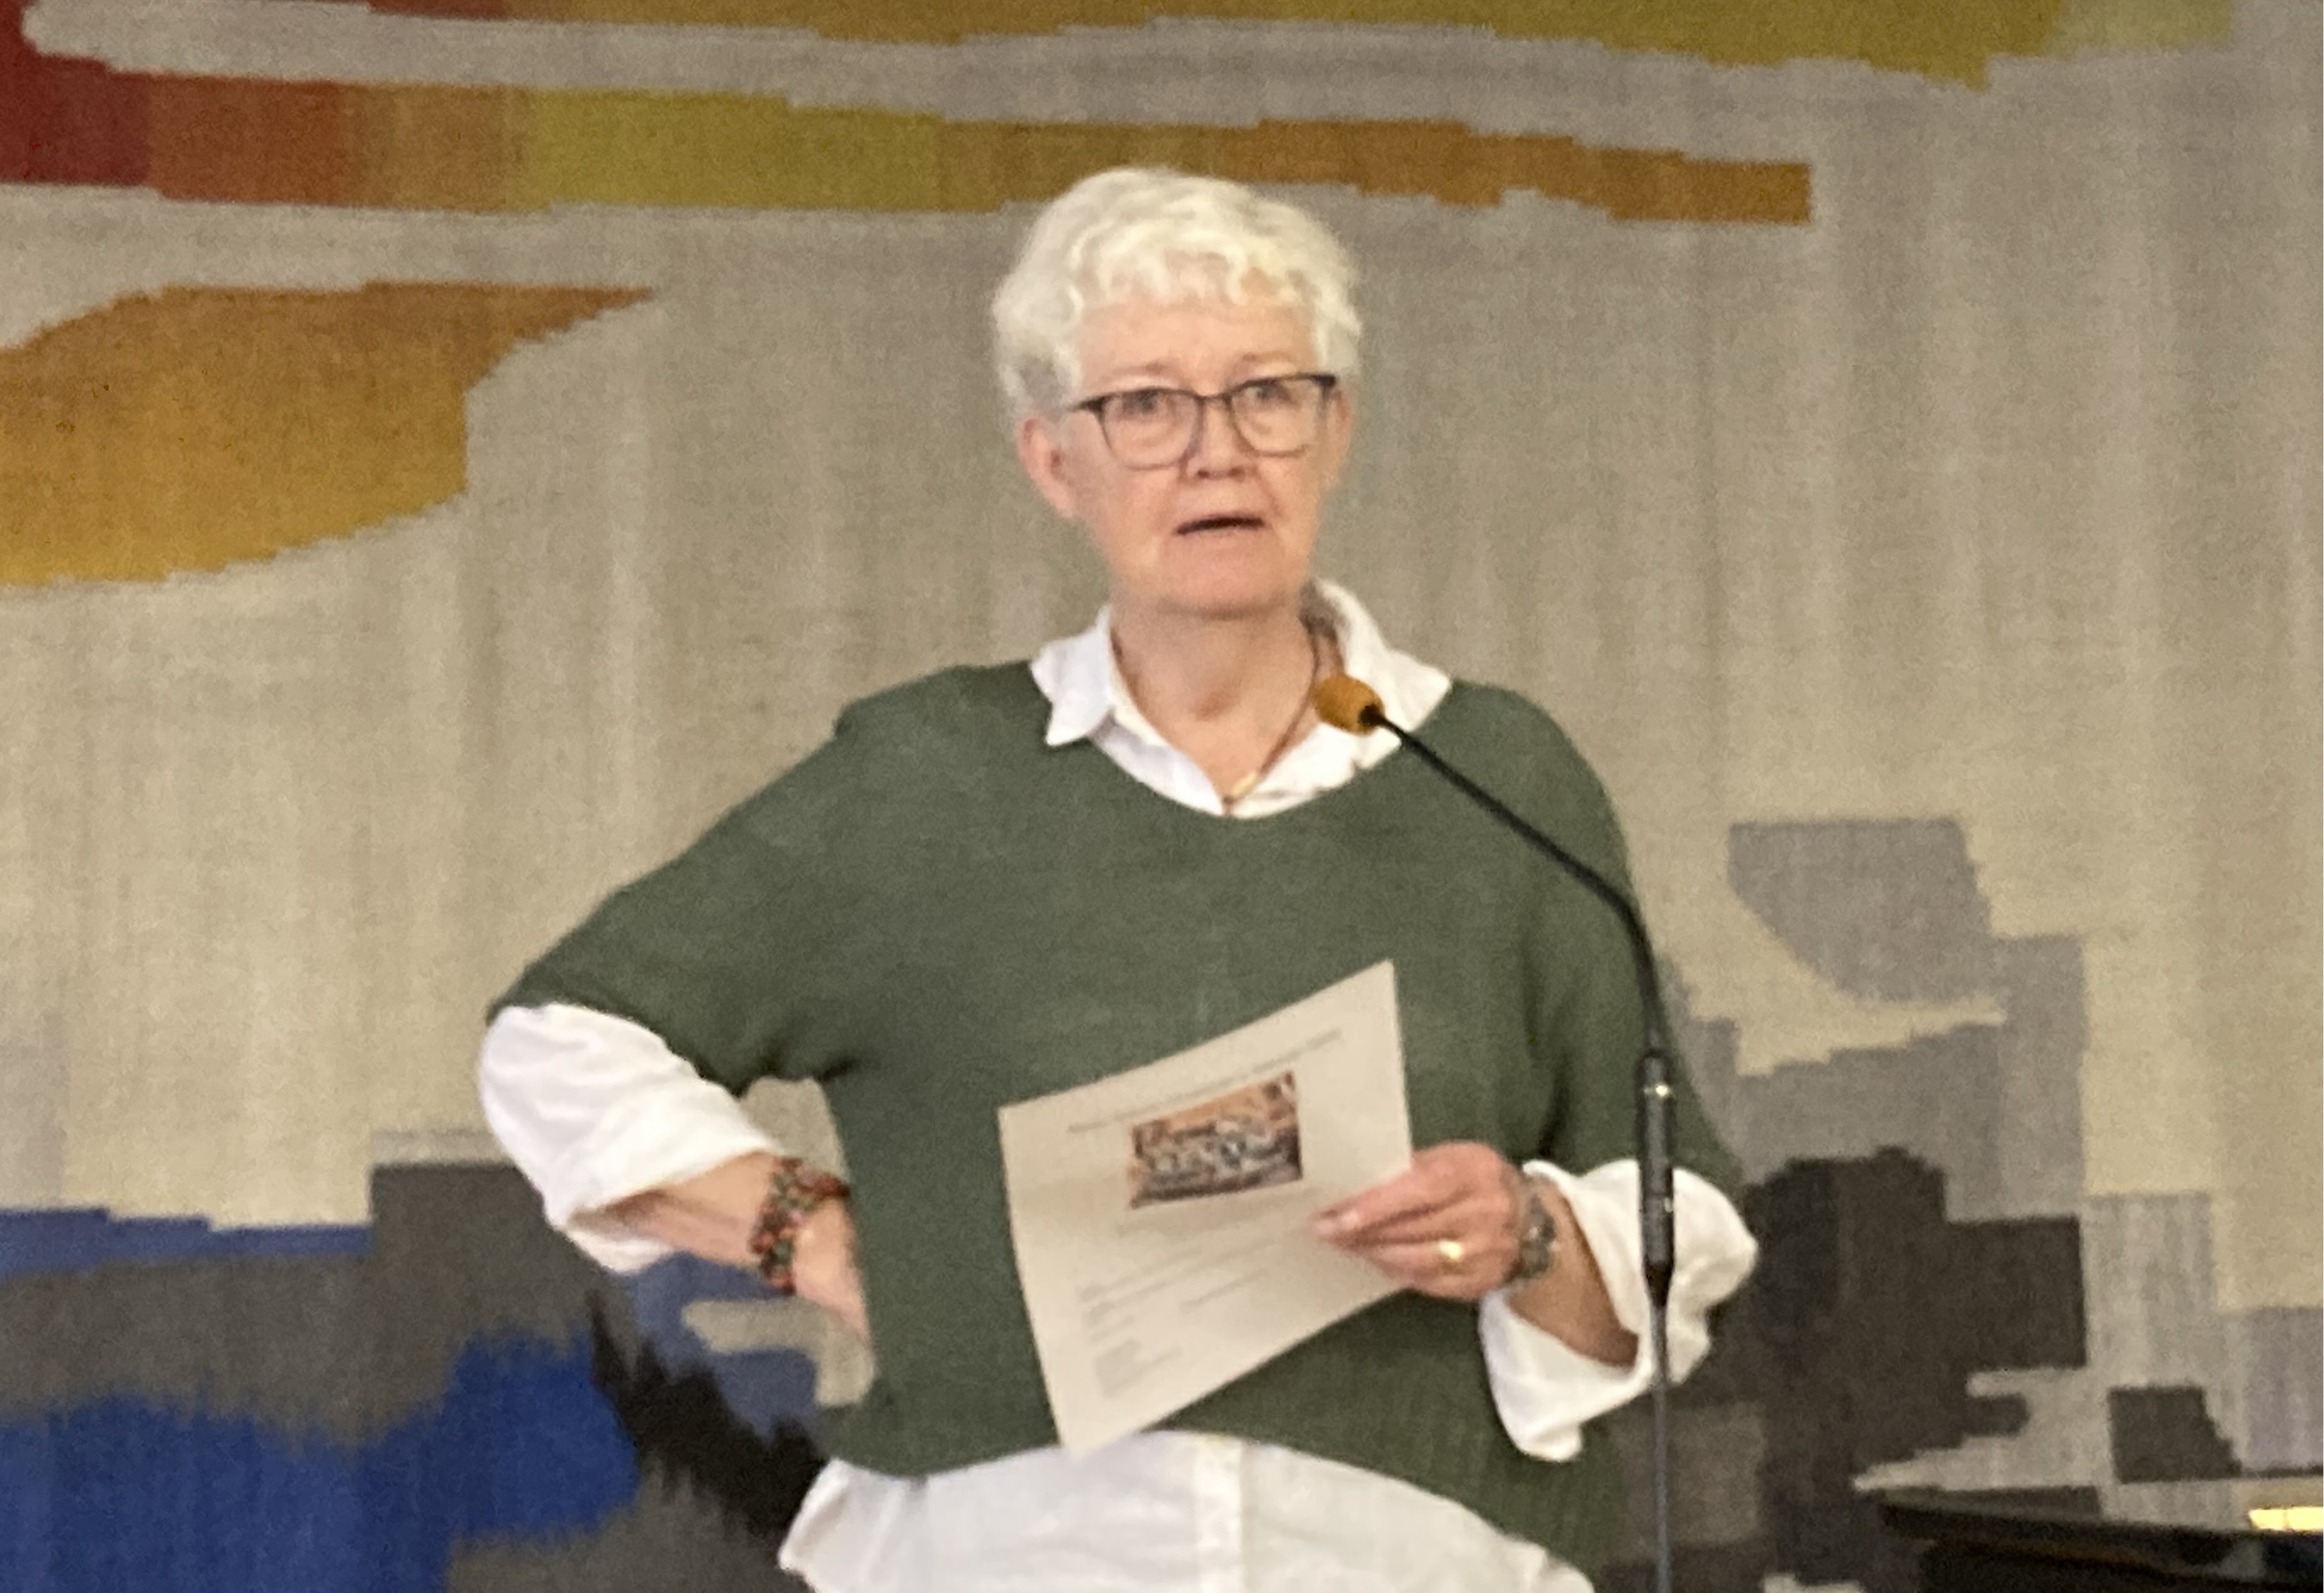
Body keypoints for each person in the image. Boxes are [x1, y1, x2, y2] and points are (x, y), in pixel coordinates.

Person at [479, 167, 1758, 1592]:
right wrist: (804, 1232)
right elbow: (560, 1038)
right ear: (1053, 463)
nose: (1217, 454)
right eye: (1145, 406)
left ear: (1334, 429)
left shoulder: (1496, 778)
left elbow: (1676, 1221)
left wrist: (1522, 1233)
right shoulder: (924, 778)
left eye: (1265, 395)